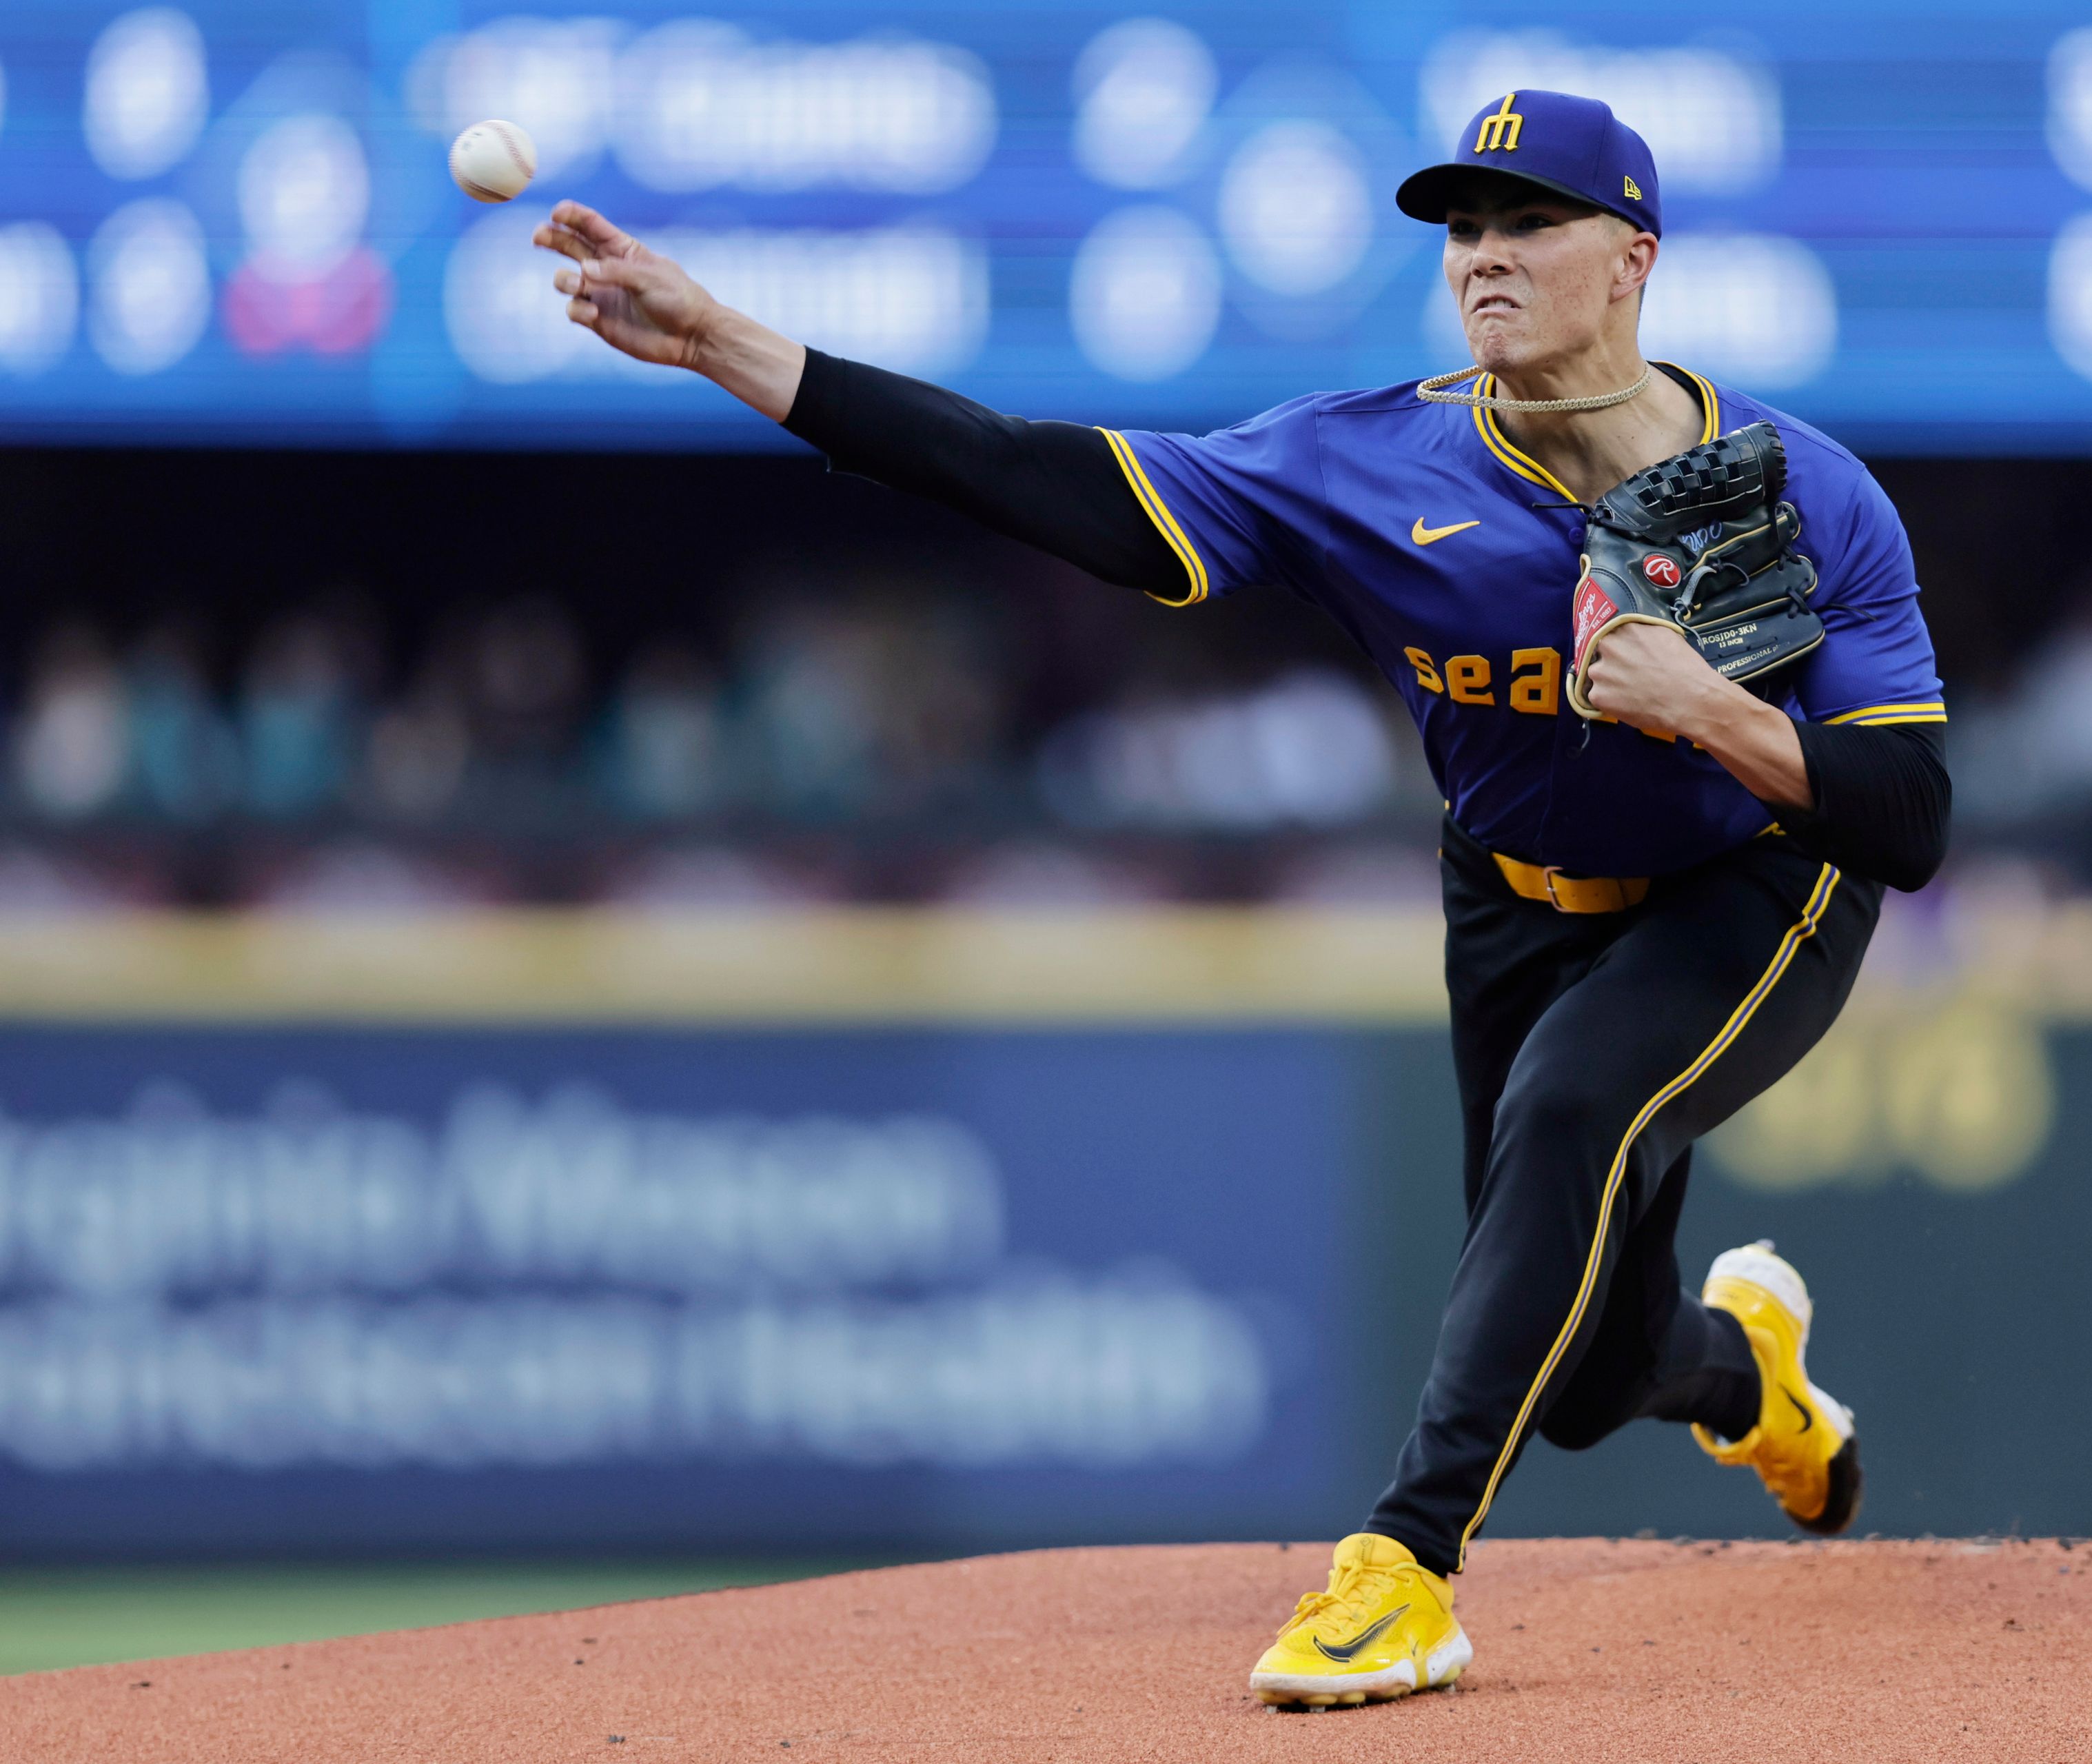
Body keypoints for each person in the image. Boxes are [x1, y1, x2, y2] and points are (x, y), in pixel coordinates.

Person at [535, 89, 1948, 1710]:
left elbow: (1908, 816)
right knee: (1592, 1369)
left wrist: (1707, 707)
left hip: (1750, 882)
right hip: (1510, 894)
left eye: (1527, 224)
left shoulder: (1803, 492)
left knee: (1570, 1108)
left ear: (1632, 256)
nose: (1483, 258)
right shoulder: (1366, 460)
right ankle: (1740, 1371)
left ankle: (1401, 1567)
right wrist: (728, 343)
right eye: (1462, 229)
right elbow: (1030, 474)